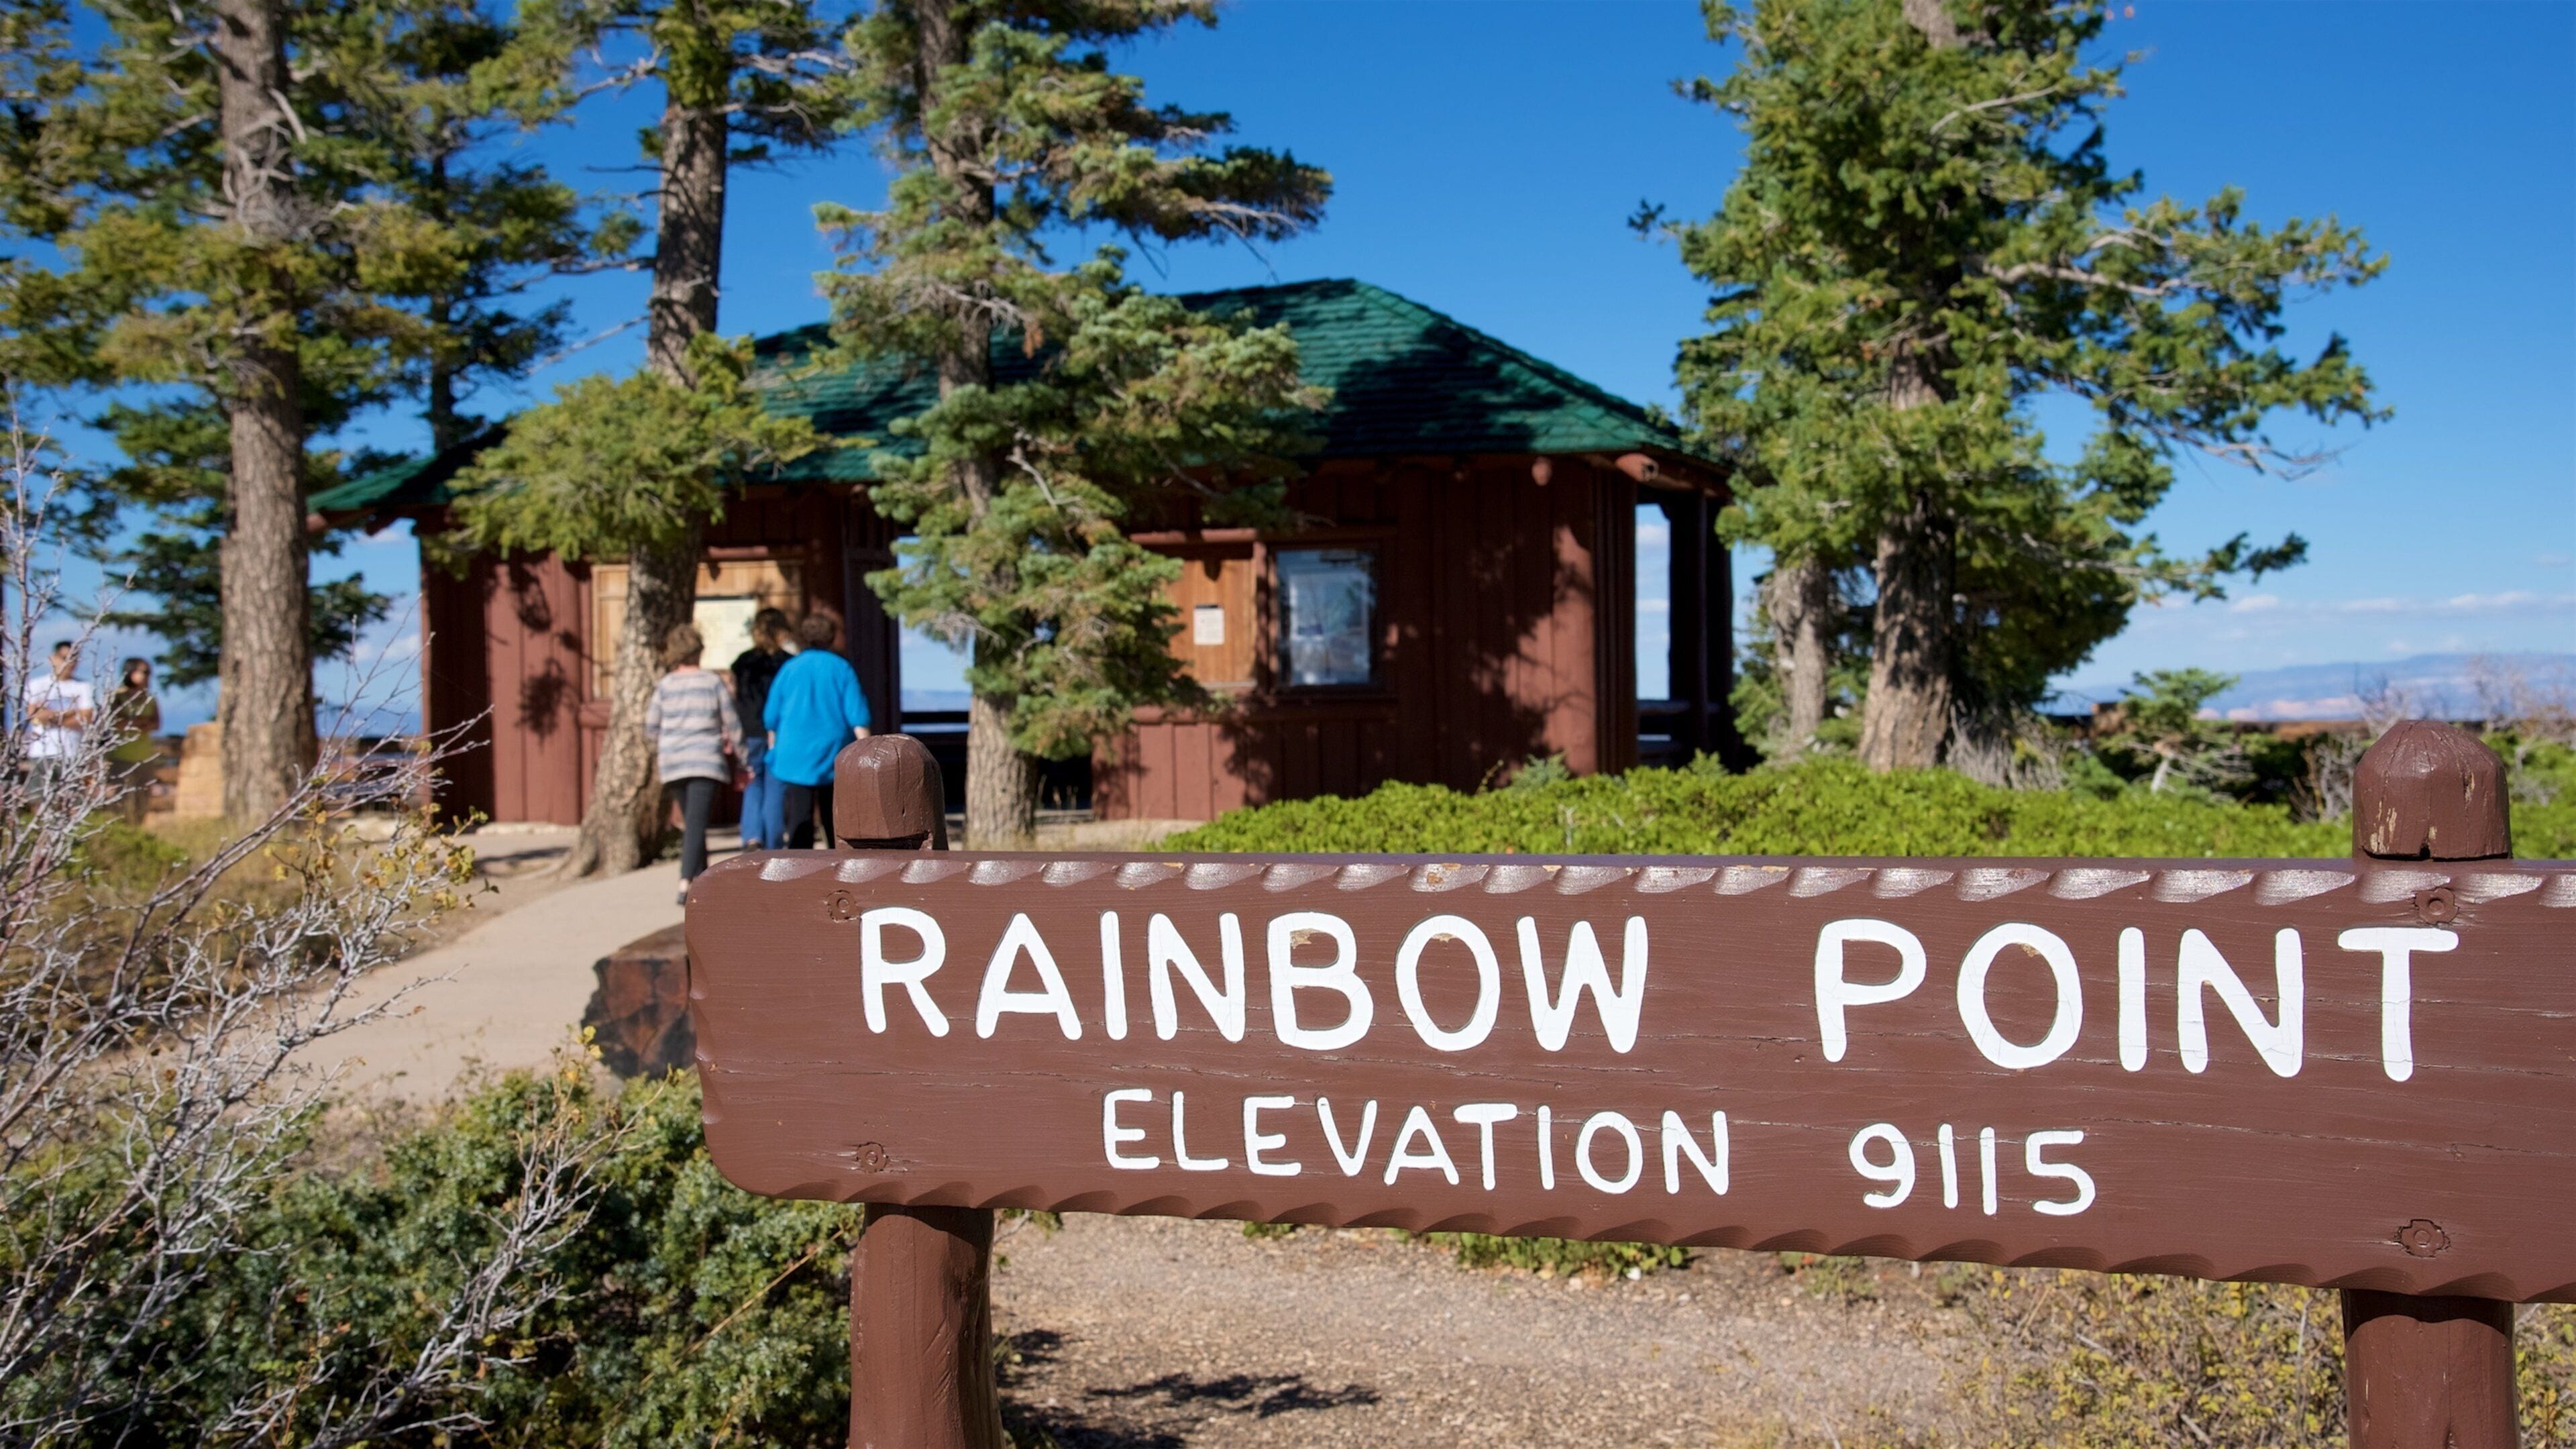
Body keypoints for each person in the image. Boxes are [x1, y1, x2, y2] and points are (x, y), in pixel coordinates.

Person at [644, 623, 741, 904]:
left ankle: (702, 884)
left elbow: (651, 727)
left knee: (693, 823)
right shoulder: (711, 683)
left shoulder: (665, 686)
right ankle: (686, 881)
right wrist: (743, 756)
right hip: (704, 760)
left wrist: (661, 749)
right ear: (699, 651)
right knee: (696, 825)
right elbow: (732, 722)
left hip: (673, 761)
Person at [763, 612, 871, 849]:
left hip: (794, 754)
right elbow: (858, 716)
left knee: (799, 818)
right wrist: (867, 755)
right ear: (831, 637)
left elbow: (771, 716)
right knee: (834, 818)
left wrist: (773, 749)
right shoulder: (841, 668)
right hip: (832, 753)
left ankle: (798, 873)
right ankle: (838, 869)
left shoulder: (789, 668)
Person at [728, 607, 794, 849]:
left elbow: (736, 697)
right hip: (780, 732)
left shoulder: (742, 662)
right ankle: (774, 841)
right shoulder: (788, 663)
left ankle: (752, 836)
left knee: (753, 783)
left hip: (749, 730)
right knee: (776, 786)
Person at [23, 640, 95, 794]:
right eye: (65, 658)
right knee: (38, 800)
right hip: (42, 753)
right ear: (53, 658)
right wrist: (70, 713)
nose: (70, 663)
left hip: (73, 753)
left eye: (74, 658)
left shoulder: (84, 687)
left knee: (72, 800)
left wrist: (52, 716)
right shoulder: (37, 685)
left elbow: (85, 718)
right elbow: (35, 716)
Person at [105, 657, 161, 824]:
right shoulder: (117, 697)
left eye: (148, 672)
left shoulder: (150, 699)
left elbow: (155, 724)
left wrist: (132, 723)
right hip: (120, 756)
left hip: (144, 756)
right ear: (130, 672)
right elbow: (116, 722)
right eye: (142, 672)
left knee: (142, 800)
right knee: (119, 799)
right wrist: (140, 723)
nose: (146, 676)